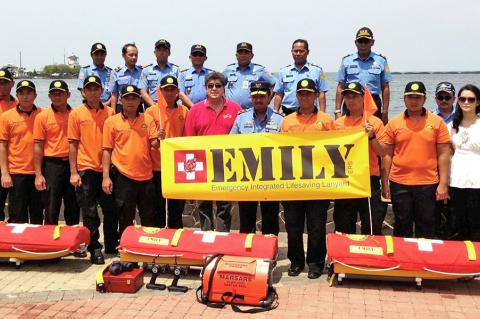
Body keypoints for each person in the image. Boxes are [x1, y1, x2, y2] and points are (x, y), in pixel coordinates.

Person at [280, 78, 335, 279]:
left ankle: (315, 263)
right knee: (293, 226)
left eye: (308, 93)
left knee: (316, 226)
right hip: (292, 183)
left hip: (318, 184)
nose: (305, 97)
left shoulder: (327, 121)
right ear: (296, 96)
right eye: (301, 93)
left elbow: (336, 150)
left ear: (315, 96)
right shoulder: (287, 121)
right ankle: (296, 262)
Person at [382, 81, 450, 239]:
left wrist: (443, 184)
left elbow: (444, 155)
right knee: (401, 225)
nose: (414, 101)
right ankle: (403, 261)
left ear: (425, 99)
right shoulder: (394, 123)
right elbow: (387, 155)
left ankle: (425, 262)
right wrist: (385, 183)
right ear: (404, 99)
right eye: (410, 97)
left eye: (418, 97)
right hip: (399, 183)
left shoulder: (437, 122)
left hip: (428, 184)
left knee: (427, 227)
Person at [68, 75, 117, 264]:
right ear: (83, 92)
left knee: (111, 210)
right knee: (89, 213)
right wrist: (73, 172)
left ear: (102, 91)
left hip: (107, 169)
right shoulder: (76, 114)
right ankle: (94, 247)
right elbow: (72, 144)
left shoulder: (111, 113)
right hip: (86, 168)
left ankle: (112, 244)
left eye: (96, 88)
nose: (93, 92)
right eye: (89, 89)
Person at [184, 72, 241, 232]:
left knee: (224, 205)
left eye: (218, 86)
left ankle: (223, 237)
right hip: (203, 164)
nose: (214, 89)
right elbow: (189, 139)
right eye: (210, 86)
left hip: (227, 164)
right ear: (205, 88)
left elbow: (243, 138)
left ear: (224, 88)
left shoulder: (235, 108)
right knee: (204, 204)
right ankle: (207, 236)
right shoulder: (195, 110)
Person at [102, 85, 158, 237]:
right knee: (125, 217)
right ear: (121, 100)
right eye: (127, 98)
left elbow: (154, 144)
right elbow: (107, 150)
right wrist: (106, 177)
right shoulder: (111, 122)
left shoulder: (148, 118)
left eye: (134, 98)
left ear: (140, 100)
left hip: (146, 176)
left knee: (149, 218)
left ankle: (147, 252)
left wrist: (161, 138)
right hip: (123, 177)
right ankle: (127, 254)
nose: (131, 102)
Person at [333, 82, 387, 235]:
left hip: (368, 180)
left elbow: (383, 152)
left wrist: (372, 137)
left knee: (371, 226)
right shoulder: (337, 124)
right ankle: (343, 258)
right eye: (347, 97)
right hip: (345, 180)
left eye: (354, 96)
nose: (350, 100)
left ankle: (370, 258)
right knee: (343, 226)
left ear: (363, 98)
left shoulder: (375, 122)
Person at [230, 81, 283, 235]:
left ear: (269, 97)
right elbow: (230, 142)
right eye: (255, 97)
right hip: (247, 175)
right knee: (246, 217)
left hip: (271, 175)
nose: (258, 100)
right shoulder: (241, 118)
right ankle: (248, 251)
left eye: (262, 96)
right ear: (251, 98)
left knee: (270, 217)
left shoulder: (280, 119)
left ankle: (269, 250)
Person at [33, 80, 79, 225]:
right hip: (52, 165)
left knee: (73, 204)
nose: (57, 96)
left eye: (61, 93)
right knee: (51, 205)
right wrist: (38, 174)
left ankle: (74, 243)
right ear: (49, 96)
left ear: (69, 94)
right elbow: (38, 146)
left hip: (73, 164)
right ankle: (50, 243)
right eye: (54, 94)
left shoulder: (76, 115)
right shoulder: (42, 117)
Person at [146, 75, 188, 229]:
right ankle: (160, 239)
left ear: (177, 91)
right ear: (160, 91)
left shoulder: (184, 111)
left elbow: (187, 139)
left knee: (177, 208)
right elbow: (150, 143)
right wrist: (158, 138)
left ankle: (176, 236)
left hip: (177, 168)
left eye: (172, 89)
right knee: (159, 207)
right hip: (158, 166)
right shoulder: (151, 112)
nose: (169, 93)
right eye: (166, 90)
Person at [0, 80, 43, 224]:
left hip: (38, 173)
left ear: (35, 95)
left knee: (37, 214)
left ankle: (36, 245)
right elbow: (3, 146)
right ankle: (16, 246)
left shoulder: (43, 114)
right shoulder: (6, 117)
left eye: (29, 93)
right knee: (17, 216)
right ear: (16, 95)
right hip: (17, 172)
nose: (25, 96)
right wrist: (5, 173)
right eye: (21, 93)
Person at [335, 27, 391, 124]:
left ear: (372, 42)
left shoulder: (381, 60)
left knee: (373, 130)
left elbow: (385, 87)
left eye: (366, 41)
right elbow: (340, 86)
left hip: (373, 101)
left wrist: (385, 112)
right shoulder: (347, 60)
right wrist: (337, 111)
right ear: (356, 43)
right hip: (351, 100)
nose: (363, 44)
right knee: (348, 131)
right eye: (360, 41)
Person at [448, 84, 480, 241]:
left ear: (478, 102)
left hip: (477, 181)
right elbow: (448, 153)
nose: (466, 102)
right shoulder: (452, 126)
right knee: (458, 223)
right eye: (462, 99)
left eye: (471, 99)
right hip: (456, 180)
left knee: (476, 224)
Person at [274, 39, 328, 115]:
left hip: (310, 113)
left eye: (301, 51)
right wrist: (275, 113)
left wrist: (322, 114)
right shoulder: (283, 71)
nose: (298, 53)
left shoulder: (318, 70)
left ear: (307, 52)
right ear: (291, 52)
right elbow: (279, 93)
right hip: (288, 113)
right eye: (295, 51)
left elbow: (321, 93)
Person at [139, 39, 193, 109]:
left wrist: (170, 104)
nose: (162, 52)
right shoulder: (146, 70)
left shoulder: (176, 70)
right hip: (152, 107)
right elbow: (143, 92)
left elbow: (179, 91)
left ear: (169, 53)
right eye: (159, 50)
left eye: (164, 50)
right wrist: (154, 107)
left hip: (171, 107)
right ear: (155, 52)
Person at [433, 82, 456, 238]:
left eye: (447, 97)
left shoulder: (465, 117)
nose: (444, 100)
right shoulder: (429, 118)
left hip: (458, 172)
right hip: (436, 172)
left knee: (456, 212)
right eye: (440, 97)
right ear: (435, 99)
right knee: (435, 213)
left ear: (454, 98)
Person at [223, 42, 276, 110]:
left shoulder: (260, 70)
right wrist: (223, 100)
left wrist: (268, 100)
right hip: (232, 110)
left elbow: (274, 84)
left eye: (246, 53)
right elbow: (219, 85)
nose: (243, 55)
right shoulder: (229, 70)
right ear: (236, 55)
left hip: (252, 111)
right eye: (240, 53)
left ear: (252, 55)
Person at [108, 43, 143, 113]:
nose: (134, 57)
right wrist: (113, 112)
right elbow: (114, 94)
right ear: (123, 56)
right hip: (121, 107)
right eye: (131, 55)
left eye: (136, 55)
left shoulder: (142, 71)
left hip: (137, 107)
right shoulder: (116, 73)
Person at [0, 69, 16, 221]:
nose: (2, 86)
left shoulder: (21, 105)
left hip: (14, 163)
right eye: (0, 83)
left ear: (12, 83)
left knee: (16, 205)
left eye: (6, 82)